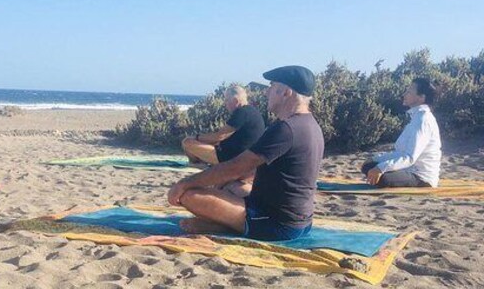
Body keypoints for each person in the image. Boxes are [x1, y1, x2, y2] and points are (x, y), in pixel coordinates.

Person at [167, 65, 324, 241]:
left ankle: (227, 226)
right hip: (300, 220)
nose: (267, 92)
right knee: (230, 185)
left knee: (189, 195)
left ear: (286, 92)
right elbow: (251, 170)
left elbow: (235, 168)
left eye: (272, 86)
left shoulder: (286, 129)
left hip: (276, 224)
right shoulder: (310, 125)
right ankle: (226, 223)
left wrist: (183, 184)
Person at [181, 84, 265, 195]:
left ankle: (199, 165)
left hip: (230, 157)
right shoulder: (252, 112)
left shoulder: (241, 112)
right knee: (221, 187)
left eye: (226, 100)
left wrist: (197, 137)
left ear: (235, 100)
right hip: (244, 158)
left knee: (187, 142)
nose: (225, 104)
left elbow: (220, 136)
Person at [361, 77, 441, 188]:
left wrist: (381, 168)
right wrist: (376, 160)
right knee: (369, 165)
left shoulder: (423, 120)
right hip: (407, 169)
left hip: (421, 177)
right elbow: (400, 153)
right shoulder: (416, 117)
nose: (404, 94)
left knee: (383, 177)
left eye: (409, 92)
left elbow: (409, 157)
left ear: (421, 97)